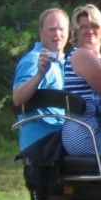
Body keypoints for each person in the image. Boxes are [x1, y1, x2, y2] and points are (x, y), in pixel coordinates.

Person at [60, 4, 101, 158]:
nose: (90, 31)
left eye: (94, 25)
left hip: (94, 129)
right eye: (83, 27)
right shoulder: (83, 55)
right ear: (76, 32)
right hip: (86, 133)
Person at [12, 8, 68, 150]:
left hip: (63, 136)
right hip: (43, 142)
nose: (57, 34)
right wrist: (39, 74)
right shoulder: (35, 60)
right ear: (41, 32)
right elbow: (17, 98)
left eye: (61, 29)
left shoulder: (67, 62)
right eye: (52, 29)